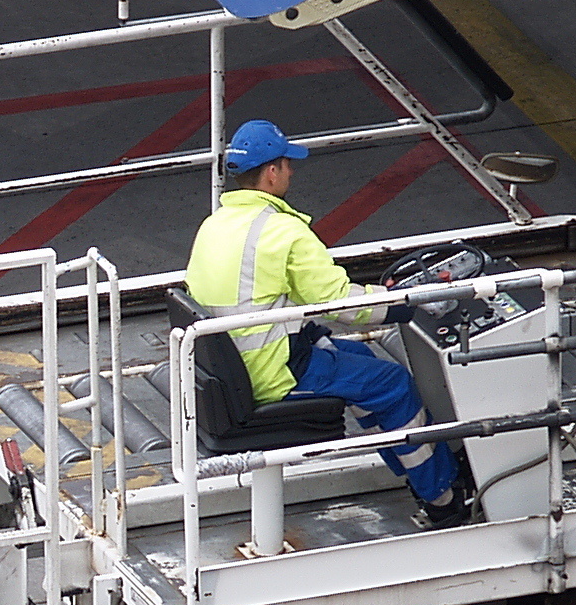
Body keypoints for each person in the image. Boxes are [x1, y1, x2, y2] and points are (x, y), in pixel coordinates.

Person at [185, 119, 474, 526]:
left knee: (355, 355)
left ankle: (416, 466)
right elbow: (339, 304)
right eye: (288, 165)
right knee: (393, 384)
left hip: (236, 364)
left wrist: (376, 295)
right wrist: (402, 303)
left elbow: (274, 290)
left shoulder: (215, 225)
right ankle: (444, 497)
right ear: (271, 173)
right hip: (274, 373)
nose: (292, 172)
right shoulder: (282, 230)